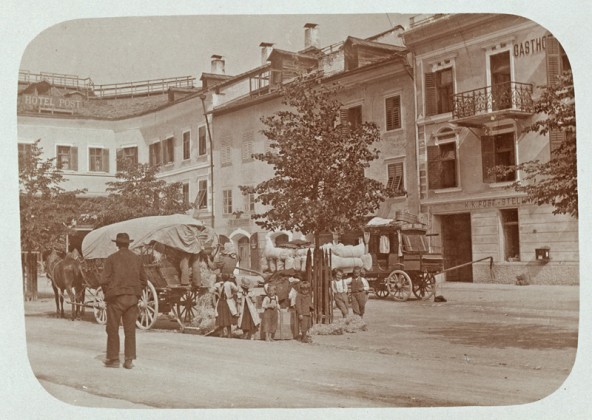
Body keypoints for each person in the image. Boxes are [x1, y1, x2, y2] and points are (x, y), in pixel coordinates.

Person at [100, 232, 147, 369]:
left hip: (116, 299)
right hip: (132, 299)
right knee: (130, 330)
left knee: (112, 328)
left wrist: (108, 294)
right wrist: (136, 294)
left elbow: (104, 280)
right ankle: (128, 360)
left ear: (116, 244)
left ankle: (114, 359)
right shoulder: (137, 259)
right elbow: (144, 281)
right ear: (128, 244)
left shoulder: (111, 259)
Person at [213, 273, 239, 338]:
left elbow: (211, 290)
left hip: (220, 302)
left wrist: (217, 294)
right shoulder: (230, 284)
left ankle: (221, 334)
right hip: (228, 302)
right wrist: (236, 281)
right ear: (228, 278)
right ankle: (229, 334)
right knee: (228, 318)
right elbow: (237, 289)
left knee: (221, 318)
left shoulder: (218, 284)